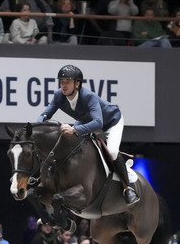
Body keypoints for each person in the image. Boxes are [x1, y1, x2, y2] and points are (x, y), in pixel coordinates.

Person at [38, 64, 139, 205]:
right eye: (61, 82)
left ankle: (127, 188)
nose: (63, 86)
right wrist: (38, 127)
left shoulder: (88, 97)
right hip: (85, 121)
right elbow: (45, 114)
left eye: (67, 82)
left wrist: (74, 130)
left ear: (77, 84)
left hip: (110, 122)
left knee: (113, 151)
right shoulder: (58, 96)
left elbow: (98, 123)